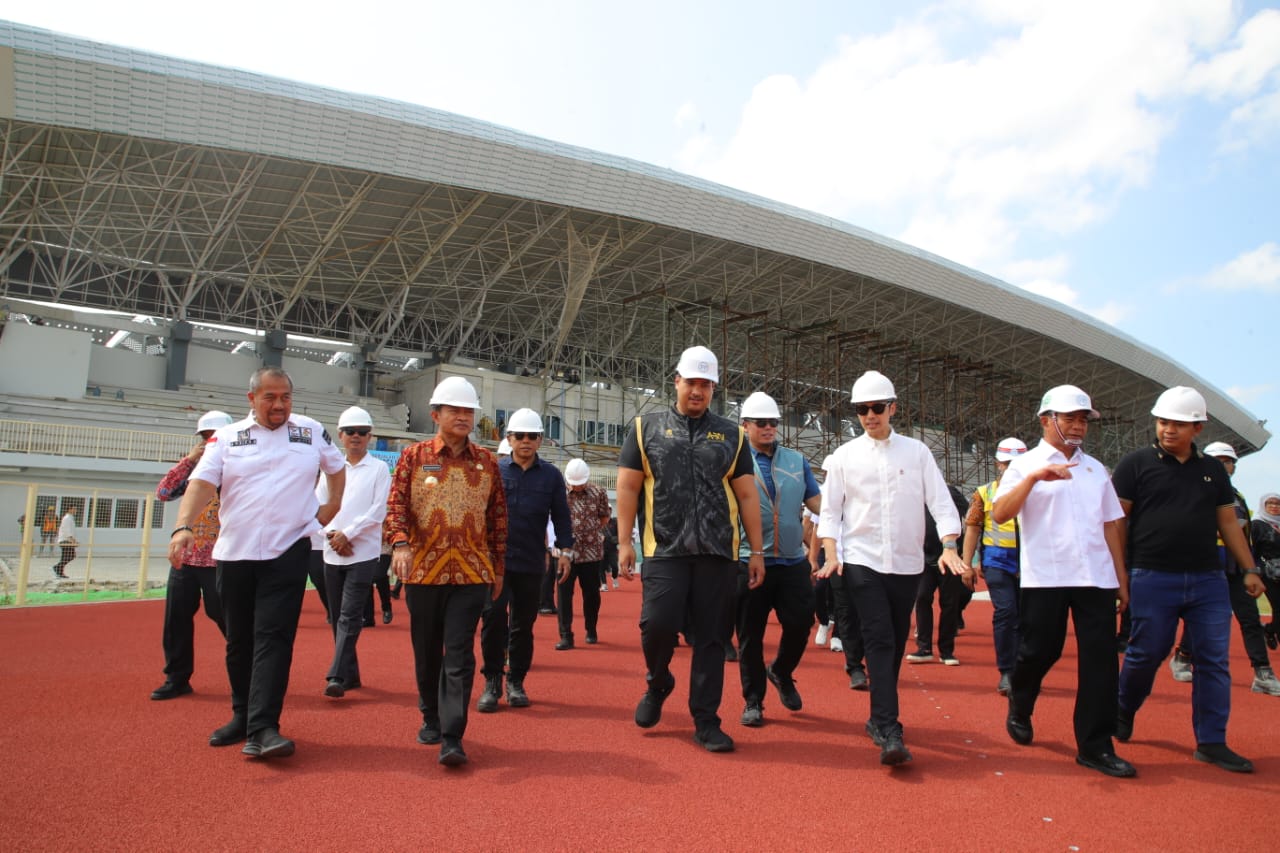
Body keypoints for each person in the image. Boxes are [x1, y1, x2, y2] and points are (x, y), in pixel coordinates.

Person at [168, 367, 346, 760]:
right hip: (235, 554)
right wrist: (183, 526)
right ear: (252, 399)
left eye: (286, 397)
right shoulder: (228, 437)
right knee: (240, 640)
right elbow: (202, 483)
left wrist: (330, 507)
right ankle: (243, 716)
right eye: (270, 397)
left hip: (288, 550)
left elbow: (336, 468)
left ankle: (264, 726)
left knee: (273, 637)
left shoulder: (310, 431)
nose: (279, 405)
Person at [616, 345, 766, 753]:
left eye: (706, 384)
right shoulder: (645, 428)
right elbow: (628, 487)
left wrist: (755, 551)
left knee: (712, 639)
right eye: (692, 383)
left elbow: (747, 495)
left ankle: (706, 720)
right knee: (657, 625)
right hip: (664, 549)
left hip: (718, 553)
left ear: (714, 388)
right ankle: (658, 681)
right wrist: (625, 543)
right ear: (677, 381)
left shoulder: (732, 435)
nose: (698, 391)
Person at [816, 370, 964, 766]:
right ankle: (889, 727)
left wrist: (950, 544)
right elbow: (829, 512)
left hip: (907, 564)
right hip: (861, 561)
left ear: (892, 408)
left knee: (897, 641)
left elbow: (941, 502)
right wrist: (831, 554)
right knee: (880, 638)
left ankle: (877, 718)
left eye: (877, 407)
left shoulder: (917, 453)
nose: (869, 415)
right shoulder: (845, 457)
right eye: (861, 409)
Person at [1113, 389, 1263, 773]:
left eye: (1178, 424)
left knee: (1213, 660)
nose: (1168, 429)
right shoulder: (1134, 465)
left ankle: (1211, 741)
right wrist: (1118, 574)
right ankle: (1123, 708)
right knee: (1147, 653)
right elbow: (1116, 523)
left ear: (1198, 427)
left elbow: (1228, 523)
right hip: (1151, 576)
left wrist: (1249, 568)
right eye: (1163, 421)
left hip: (1208, 580)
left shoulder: (1213, 470)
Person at [993, 384, 1135, 778]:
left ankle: (1095, 746)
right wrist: (1034, 478)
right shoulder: (1024, 465)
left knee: (1101, 661)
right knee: (1040, 651)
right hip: (1047, 576)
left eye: (1083, 419)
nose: (1078, 426)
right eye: (1070, 418)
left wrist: (1121, 579)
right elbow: (1001, 514)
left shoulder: (1096, 470)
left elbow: (1111, 525)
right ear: (1046, 419)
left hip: (1096, 576)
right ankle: (1021, 701)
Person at [386, 376, 507, 766]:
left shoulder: (487, 462)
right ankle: (430, 715)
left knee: (460, 653)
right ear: (435, 414)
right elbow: (395, 507)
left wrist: (497, 566)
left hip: (471, 573)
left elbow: (498, 517)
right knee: (427, 651)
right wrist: (400, 543)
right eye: (454, 410)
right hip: (423, 572)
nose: (462, 417)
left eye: (468, 411)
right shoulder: (413, 456)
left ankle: (453, 735)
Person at [733, 391, 822, 728]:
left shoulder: (796, 461)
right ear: (745, 426)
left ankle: (781, 671)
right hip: (748, 560)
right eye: (761, 422)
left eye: (773, 422)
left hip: (791, 561)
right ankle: (753, 701)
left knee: (801, 623)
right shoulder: (733, 460)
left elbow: (817, 503)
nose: (769, 427)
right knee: (750, 635)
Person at [477, 407, 572, 711]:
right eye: (520, 436)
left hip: (531, 563)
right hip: (497, 562)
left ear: (540, 440)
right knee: (493, 620)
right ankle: (492, 682)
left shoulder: (552, 476)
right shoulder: (494, 470)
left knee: (522, 625)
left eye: (532, 436)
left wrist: (565, 551)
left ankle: (516, 682)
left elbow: (561, 516)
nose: (526, 441)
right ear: (509, 438)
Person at [1167, 443, 1280, 696]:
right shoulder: (1191, 491)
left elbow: (1245, 534)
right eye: (1218, 460)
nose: (1223, 465)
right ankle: (1183, 655)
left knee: (1250, 619)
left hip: (1237, 567)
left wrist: (1250, 567)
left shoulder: (1237, 496)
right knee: (1202, 617)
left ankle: (1262, 672)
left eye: (1228, 461)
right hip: (1206, 565)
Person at [150, 410, 232, 700]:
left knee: (225, 616)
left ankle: (250, 669)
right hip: (185, 558)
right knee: (176, 618)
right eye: (206, 437)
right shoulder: (194, 472)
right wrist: (189, 460)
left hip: (221, 559)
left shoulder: (236, 469)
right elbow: (164, 492)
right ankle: (176, 678)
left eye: (215, 437)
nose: (210, 442)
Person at [319, 406, 392, 699]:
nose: (356, 436)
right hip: (331, 552)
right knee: (337, 616)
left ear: (370, 436)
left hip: (363, 554)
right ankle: (351, 675)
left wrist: (348, 534)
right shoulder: (330, 469)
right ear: (340, 435)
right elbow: (318, 506)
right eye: (351, 431)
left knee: (349, 616)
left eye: (362, 432)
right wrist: (333, 535)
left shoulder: (379, 469)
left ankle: (337, 675)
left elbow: (378, 510)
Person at [960, 437, 1028, 694]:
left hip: (1031, 562)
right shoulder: (984, 493)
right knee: (1007, 612)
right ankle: (1007, 671)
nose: (1012, 468)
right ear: (999, 463)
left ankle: (1024, 670)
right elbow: (972, 528)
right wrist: (967, 564)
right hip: (997, 561)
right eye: (1008, 463)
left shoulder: (1036, 491)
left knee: (1028, 617)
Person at [906, 484, 975, 667]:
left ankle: (947, 651)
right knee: (922, 598)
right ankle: (924, 648)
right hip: (923, 558)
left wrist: (964, 552)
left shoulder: (949, 492)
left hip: (950, 556)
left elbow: (969, 516)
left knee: (949, 603)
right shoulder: (913, 491)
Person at [558, 458, 611, 648]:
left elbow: (604, 516)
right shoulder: (559, 492)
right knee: (564, 595)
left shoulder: (599, 492)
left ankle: (591, 628)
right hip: (565, 552)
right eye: (573, 483)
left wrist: (591, 531)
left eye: (580, 483)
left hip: (591, 553)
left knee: (591, 594)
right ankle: (566, 635)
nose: (577, 487)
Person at [1253, 493, 1280, 649]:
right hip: (1267, 574)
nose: (1274, 506)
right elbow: (1252, 551)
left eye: (1277, 504)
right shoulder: (1257, 525)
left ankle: (1269, 630)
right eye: (1270, 503)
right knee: (1278, 606)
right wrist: (1254, 571)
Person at [52, 508, 78, 578]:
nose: (75, 510)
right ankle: (57, 568)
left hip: (68, 540)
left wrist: (73, 540)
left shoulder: (70, 518)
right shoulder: (67, 518)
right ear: (69, 509)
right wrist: (72, 540)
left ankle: (59, 570)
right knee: (70, 556)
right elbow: (67, 530)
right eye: (74, 509)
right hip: (65, 540)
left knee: (68, 556)